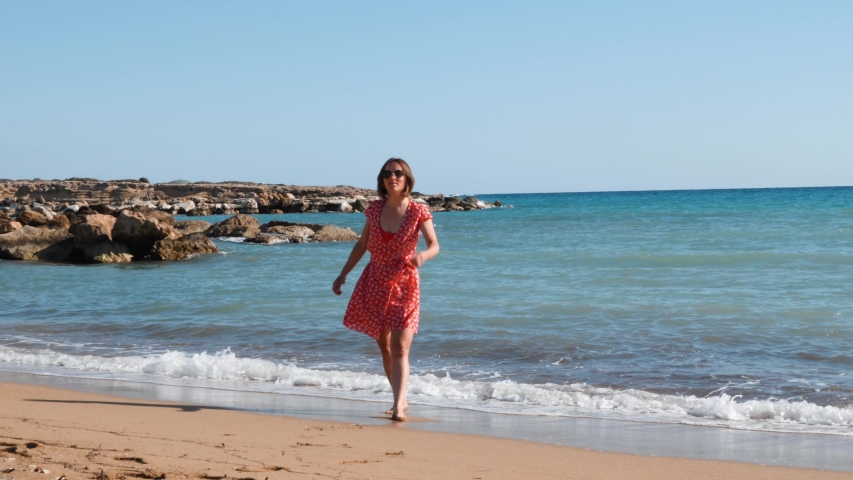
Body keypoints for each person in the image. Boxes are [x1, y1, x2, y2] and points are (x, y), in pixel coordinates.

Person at [332, 158, 439, 422]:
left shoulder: (418, 211)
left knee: (401, 346)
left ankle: (398, 405)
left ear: (407, 178)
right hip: (375, 280)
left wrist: (423, 257)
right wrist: (343, 274)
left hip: (405, 282)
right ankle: (399, 397)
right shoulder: (374, 209)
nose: (393, 177)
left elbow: (434, 244)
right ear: (382, 180)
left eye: (398, 173)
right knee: (385, 346)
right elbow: (361, 245)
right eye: (388, 173)